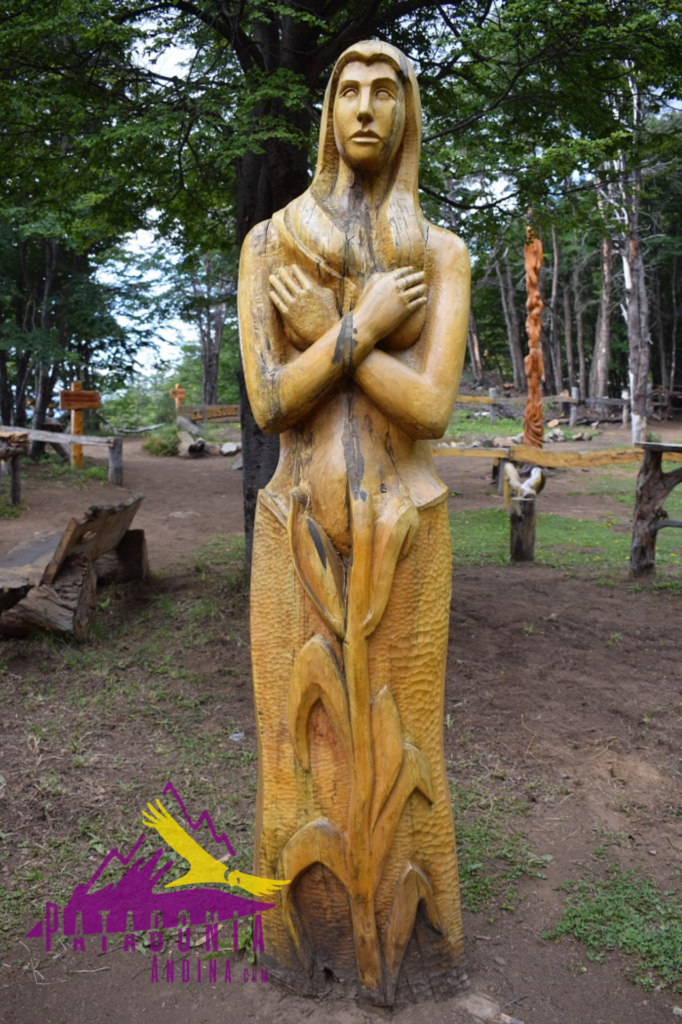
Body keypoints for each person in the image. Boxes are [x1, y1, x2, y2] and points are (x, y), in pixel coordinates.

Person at [238, 40, 470, 1005]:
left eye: (388, 92)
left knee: (405, 739)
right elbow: (268, 402)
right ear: (327, 114)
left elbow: (428, 411)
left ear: (409, 113)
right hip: (292, 532)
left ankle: (411, 943)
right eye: (349, 92)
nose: (367, 107)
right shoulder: (265, 245)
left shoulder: (445, 253)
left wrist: (341, 328)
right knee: (293, 747)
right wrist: (363, 326)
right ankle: (301, 937)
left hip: (409, 533)